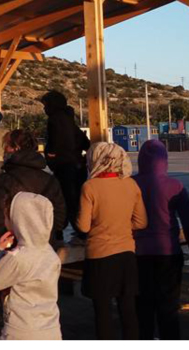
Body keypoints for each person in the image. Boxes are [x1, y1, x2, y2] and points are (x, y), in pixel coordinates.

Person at [77, 142, 147, 340]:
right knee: (128, 311)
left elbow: (83, 227)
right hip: (126, 254)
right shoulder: (130, 184)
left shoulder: (90, 187)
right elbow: (141, 222)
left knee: (103, 314)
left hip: (99, 255)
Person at [132, 140, 189, 340]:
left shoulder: (131, 184)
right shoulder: (174, 185)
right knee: (168, 310)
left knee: (143, 309)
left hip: (138, 253)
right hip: (168, 251)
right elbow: (188, 222)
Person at [0, 192, 62, 340]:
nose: (4, 221)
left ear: (19, 221)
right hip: (51, 328)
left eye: (7, 217)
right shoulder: (51, 254)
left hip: (21, 331)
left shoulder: (18, 257)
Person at [0, 129, 66, 245]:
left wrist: (9, 240)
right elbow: (60, 218)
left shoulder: (5, 180)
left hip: (14, 247)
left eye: (6, 146)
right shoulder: (50, 180)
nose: (4, 151)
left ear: (16, 148)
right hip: (45, 246)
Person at [40, 91, 90, 242]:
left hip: (64, 167)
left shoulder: (56, 120)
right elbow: (85, 142)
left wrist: (51, 155)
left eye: (46, 105)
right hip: (76, 166)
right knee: (74, 201)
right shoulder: (69, 120)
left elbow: (57, 143)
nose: (44, 109)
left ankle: (65, 232)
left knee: (63, 201)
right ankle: (79, 231)